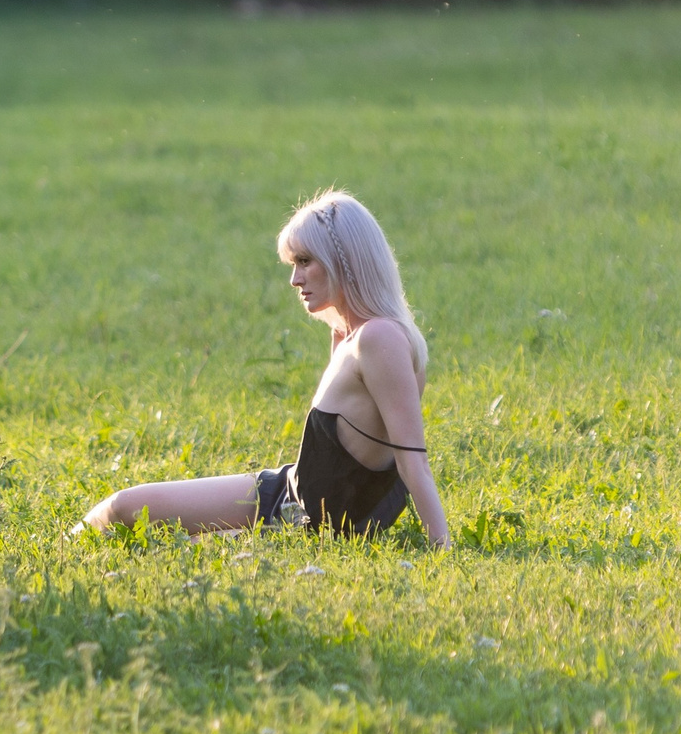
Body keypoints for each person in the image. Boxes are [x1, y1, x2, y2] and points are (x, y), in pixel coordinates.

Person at [81, 190, 453, 546]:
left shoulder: (379, 338)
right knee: (138, 518)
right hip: (288, 499)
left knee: (124, 508)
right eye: (294, 264)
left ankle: (63, 545)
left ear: (344, 260)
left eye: (305, 261)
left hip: (294, 514)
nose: (295, 279)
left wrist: (442, 549)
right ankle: (67, 543)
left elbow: (412, 461)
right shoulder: (350, 335)